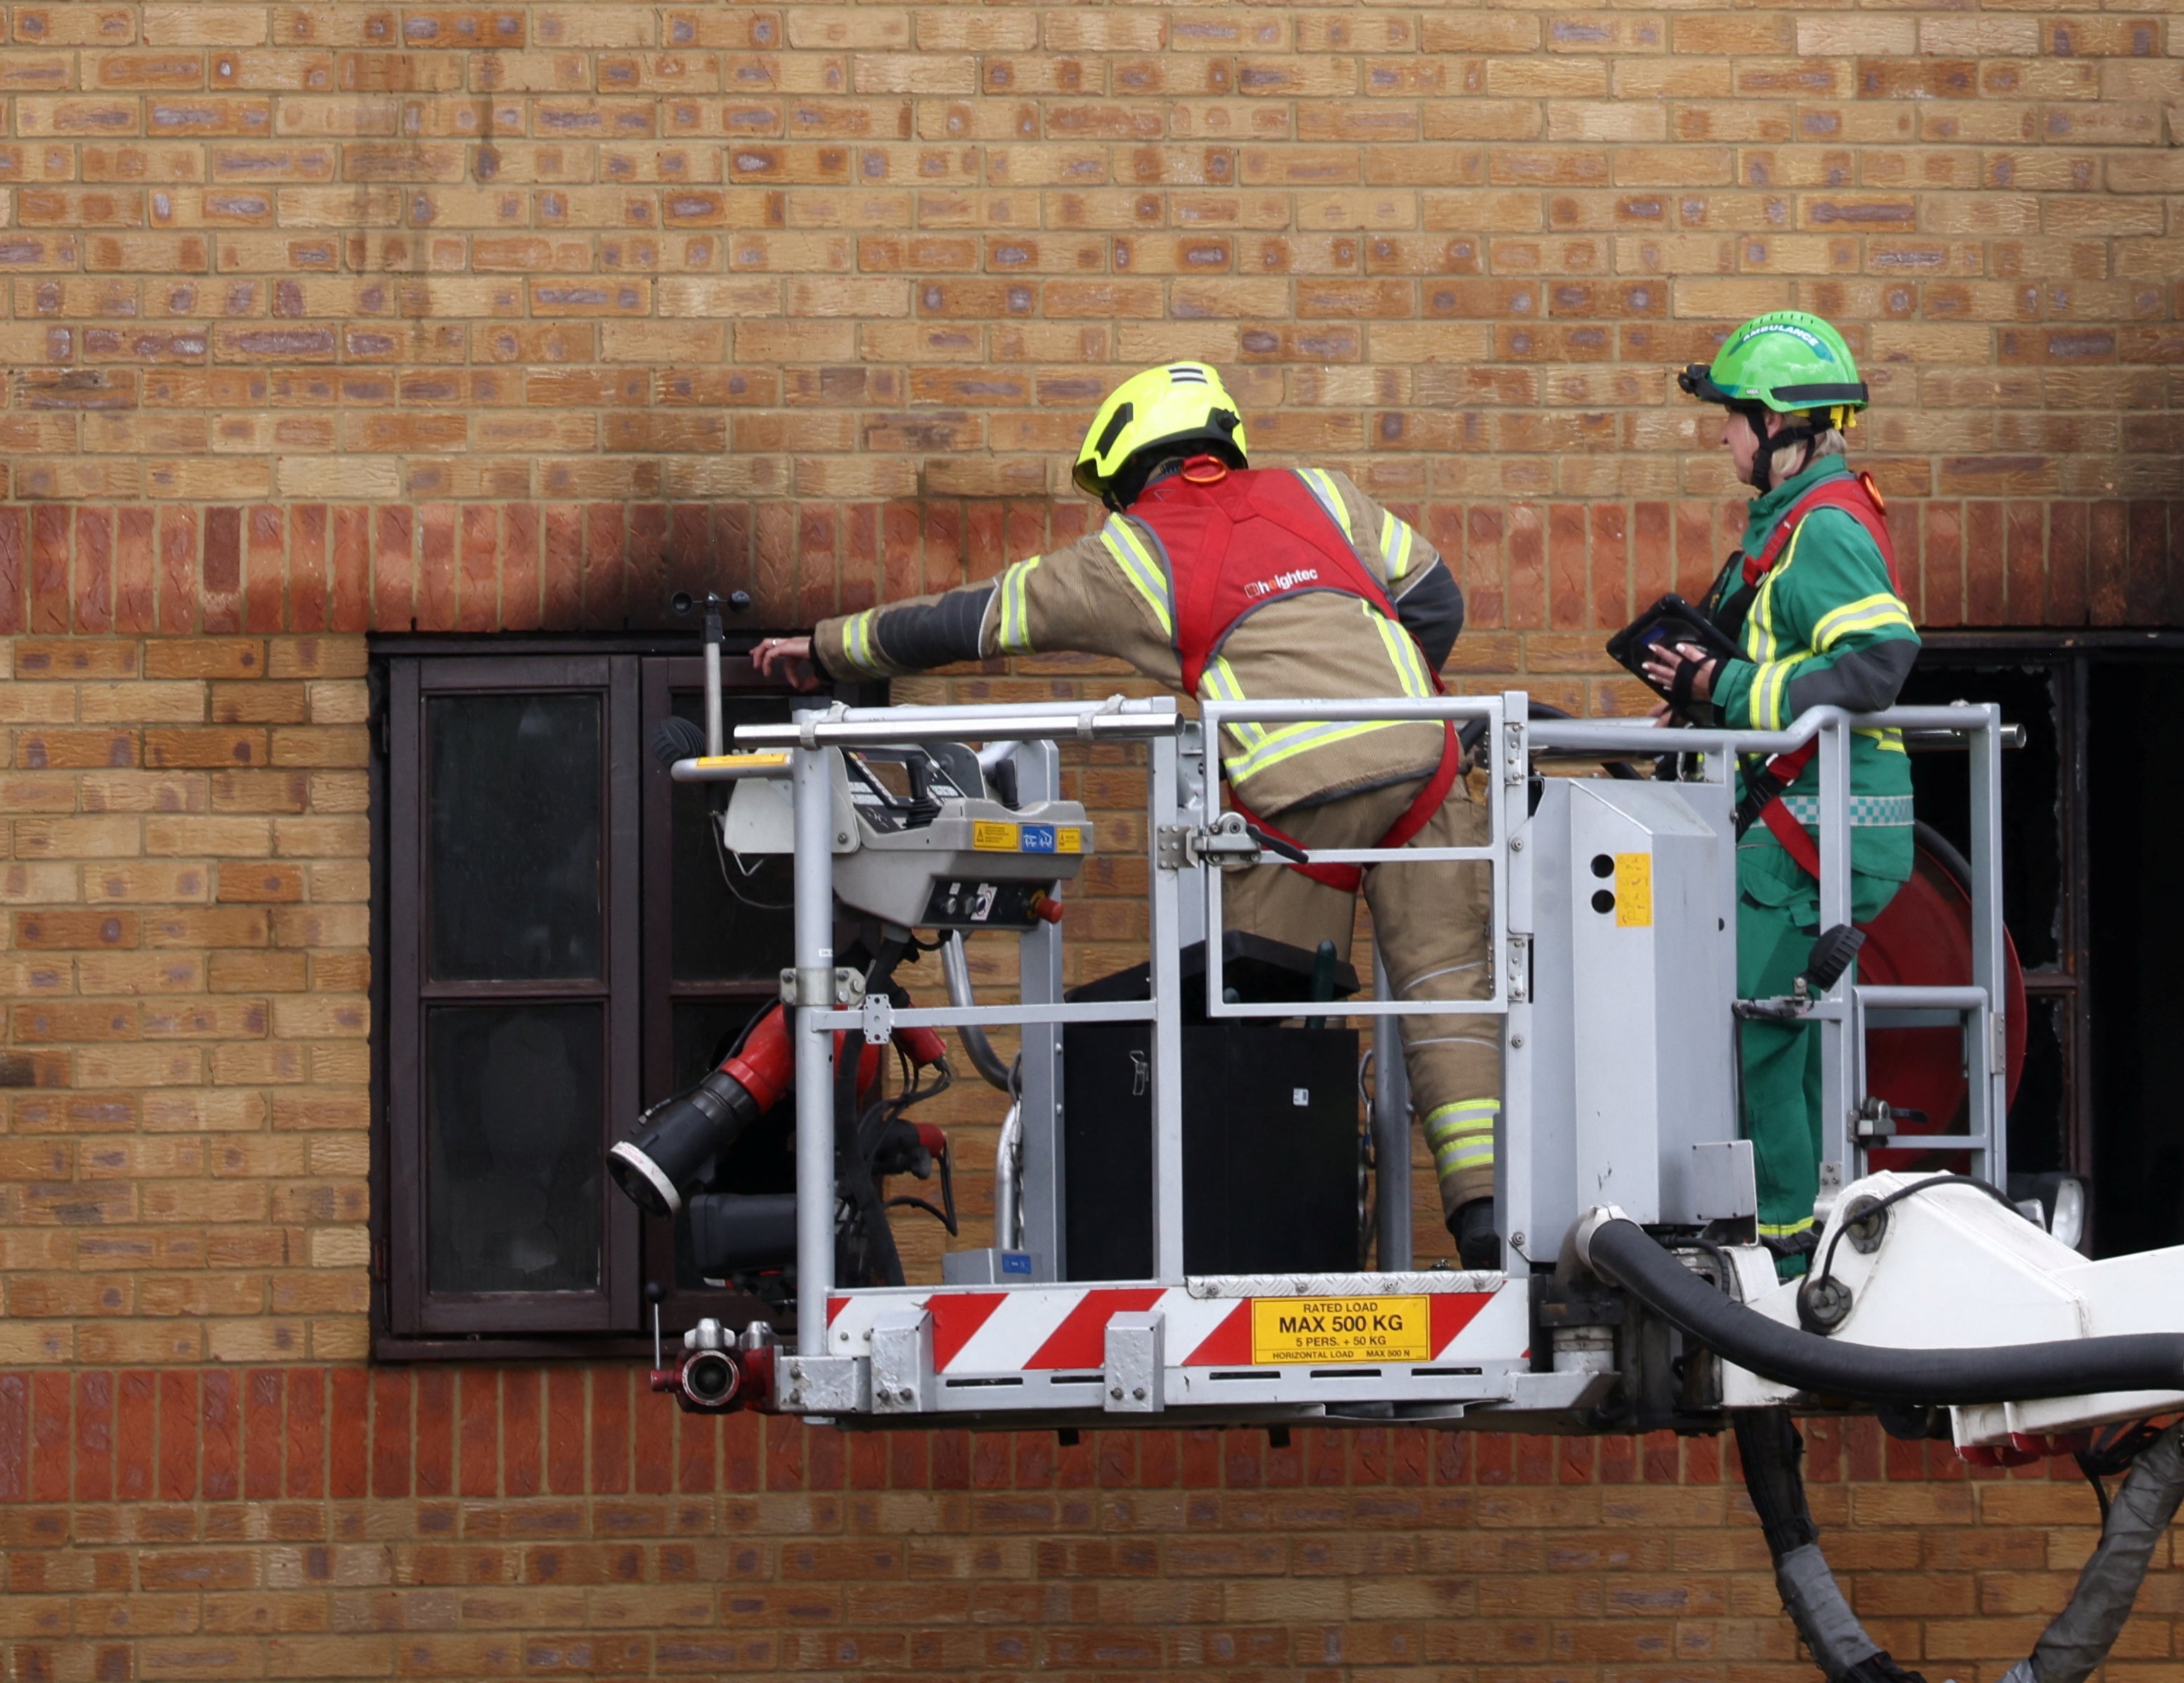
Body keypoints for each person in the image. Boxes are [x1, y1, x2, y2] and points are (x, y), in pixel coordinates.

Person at [748, 361, 1509, 1269]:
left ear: (1125, 471)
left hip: (1294, 815)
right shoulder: (1322, 493)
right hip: (1430, 772)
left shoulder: (1131, 552)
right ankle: (1487, 1226)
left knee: (1253, 1013)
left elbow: (972, 619)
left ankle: (1266, 1245)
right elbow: (1434, 599)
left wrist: (827, 649)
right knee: (1454, 1000)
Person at [1608, 312, 1918, 1275]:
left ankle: (1781, 1264)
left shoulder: (1821, 528)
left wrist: (1721, 689)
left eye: (1733, 418)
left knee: (1749, 1037)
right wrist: (1702, 713)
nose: (1723, 437)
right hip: (1796, 825)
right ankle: (1788, 1246)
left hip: (1818, 827)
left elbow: (1877, 664)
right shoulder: (1789, 528)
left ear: (1780, 423)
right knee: (1762, 1034)